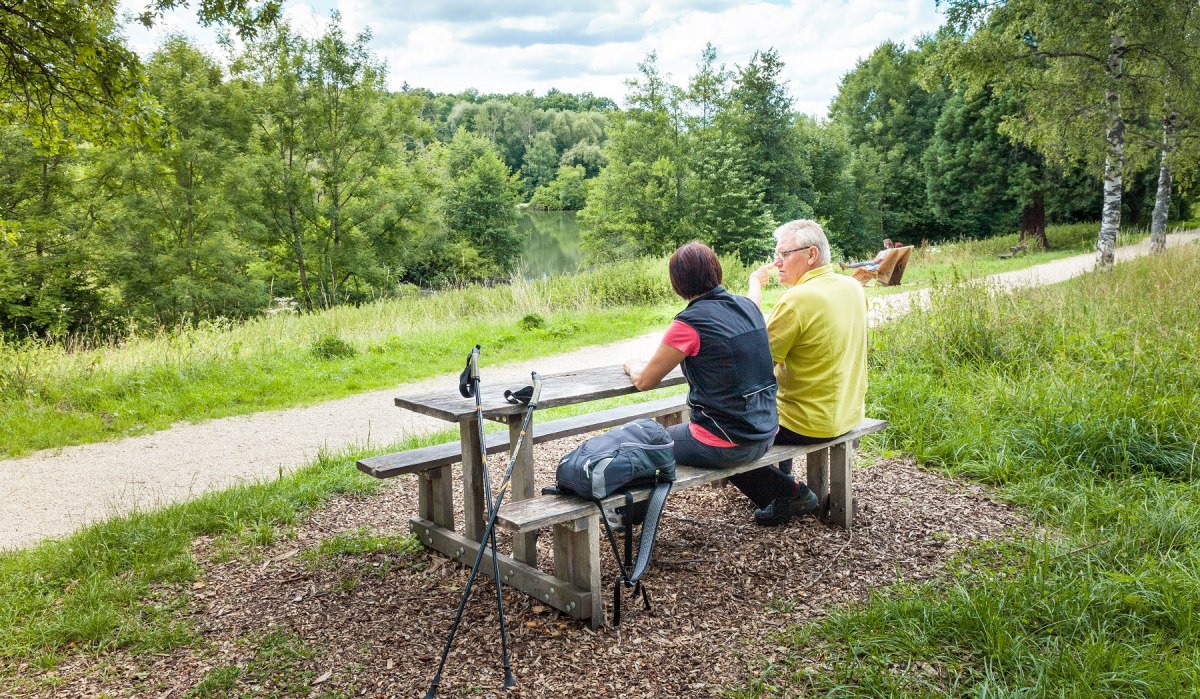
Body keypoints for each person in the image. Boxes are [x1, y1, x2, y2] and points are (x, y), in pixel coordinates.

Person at [624, 241, 779, 507]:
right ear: (716, 271)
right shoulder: (748, 308)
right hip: (766, 430)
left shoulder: (689, 323)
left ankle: (629, 515)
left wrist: (631, 363)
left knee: (645, 445)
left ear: (678, 283)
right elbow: (754, 299)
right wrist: (755, 281)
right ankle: (789, 492)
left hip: (726, 441)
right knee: (674, 436)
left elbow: (644, 380)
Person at [744, 219, 869, 526]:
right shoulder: (851, 286)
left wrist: (753, 287)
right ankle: (783, 476)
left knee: (720, 433)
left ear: (811, 254)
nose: (777, 262)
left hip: (808, 423)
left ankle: (786, 493)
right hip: (847, 412)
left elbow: (757, 363)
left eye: (784, 254)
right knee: (770, 405)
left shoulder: (797, 299)